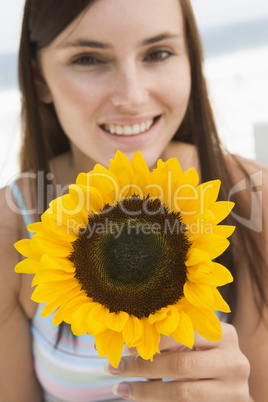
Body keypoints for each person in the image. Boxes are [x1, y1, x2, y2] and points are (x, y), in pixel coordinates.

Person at [0, 0, 267, 400]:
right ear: (39, 79)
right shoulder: (12, 220)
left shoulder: (250, 197)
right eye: (88, 59)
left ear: (190, 60)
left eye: (158, 53)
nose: (132, 96)